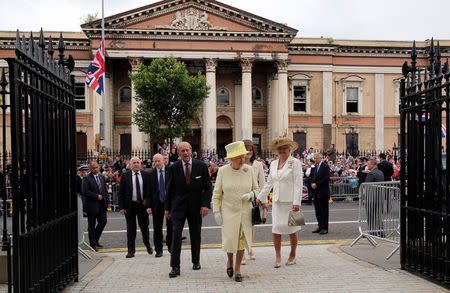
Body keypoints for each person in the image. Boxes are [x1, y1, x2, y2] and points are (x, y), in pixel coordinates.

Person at [212, 141, 259, 282]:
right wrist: (216, 211)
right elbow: (217, 194)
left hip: (245, 211)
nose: (243, 159)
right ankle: (229, 261)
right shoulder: (223, 171)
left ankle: (237, 268)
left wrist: (250, 195)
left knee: (241, 241)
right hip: (228, 211)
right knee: (230, 240)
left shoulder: (249, 170)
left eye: (243, 156)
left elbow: (257, 190)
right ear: (231, 158)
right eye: (239, 157)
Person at [165, 141, 212, 278]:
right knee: (176, 235)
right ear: (178, 153)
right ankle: (175, 267)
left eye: (187, 150)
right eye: (182, 151)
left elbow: (208, 187)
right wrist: (167, 208)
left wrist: (205, 205)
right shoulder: (173, 167)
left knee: (195, 234)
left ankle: (196, 261)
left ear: (191, 151)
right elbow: (170, 189)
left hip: (196, 207)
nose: (185, 153)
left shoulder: (201, 166)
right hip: (178, 207)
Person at [257, 137, 303, 268]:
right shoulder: (272, 164)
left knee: (292, 229)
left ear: (290, 149)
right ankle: (278, 256)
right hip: (277, 201)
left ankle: (293, 254)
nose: (283, 150)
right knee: (276, 229)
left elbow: (298, 183)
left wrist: (297, 202)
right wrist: (260, 197)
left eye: (285, 148)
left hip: (291, 202)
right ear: (277, 151)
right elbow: (269, 183)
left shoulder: (295, 163)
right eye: (280, 148)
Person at [118, 157, 153, 258]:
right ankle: (131, 251)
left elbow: (149, 192)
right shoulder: (125, 176)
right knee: (130, 229)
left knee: (144, 227)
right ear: (130, 164)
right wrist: (121, 207)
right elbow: (121, 193)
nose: (136, 164)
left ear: (141, 164)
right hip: (130, 206)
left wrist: (148, 205)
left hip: (142, 205)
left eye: (138, 162)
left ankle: (147, 245)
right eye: (134, 163)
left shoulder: (146, 175)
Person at [241, 139, 265, 264]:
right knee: (241, 226)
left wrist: (263, 201)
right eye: (246, 150)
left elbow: (262, 183)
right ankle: (242, 253)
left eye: (250, 150)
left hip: (254, 199)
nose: (248, 152)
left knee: (251, 226)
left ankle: (249, 248)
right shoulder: (237, 163)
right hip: (240, 198)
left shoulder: (258, 164)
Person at [147, 154, 172, 258]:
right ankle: (158, 250)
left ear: (163, 161)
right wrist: (148, 205)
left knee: (171, 226)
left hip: (169, 203)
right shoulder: (151, 174)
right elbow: (148, 191)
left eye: (159, 161)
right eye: (155, 161)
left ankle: (170, 246)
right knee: (157, 228)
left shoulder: (170, 171)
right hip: (156, 204)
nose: (157, 163)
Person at [81, 160, 109, 251]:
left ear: (99, 167)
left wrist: (107, 201)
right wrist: (96, 196)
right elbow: (85, 191)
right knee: (91, 225)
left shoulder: (101, 177)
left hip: (102, 205)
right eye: (93, 168)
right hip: (91, 205)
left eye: (96, 167)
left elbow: (105, 190)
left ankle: (95, 240)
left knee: (103, 222)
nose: (95, 169)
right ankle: (93, 244)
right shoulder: (86, 178)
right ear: (90, 168)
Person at [311, 153, 331, 235]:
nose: (315, 160)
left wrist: (317, 184)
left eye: (316, 158)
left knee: (324, 211)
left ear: (320, 158)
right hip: (316, 192)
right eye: (314, 158)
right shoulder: (315, 167)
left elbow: (326, 178)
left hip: (323, 192)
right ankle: (320, 226)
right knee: (318, 211)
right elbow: (313, 177)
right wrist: (312, 183)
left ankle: (324, 228)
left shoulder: (325, 167)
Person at [365, 159, 385, 235]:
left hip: (371, 196)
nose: (367, 166)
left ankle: (372, 231)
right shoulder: (380, 172)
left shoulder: (371, 173)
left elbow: (366, 185)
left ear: (373, 164)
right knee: (378, 214)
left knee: (370, 215)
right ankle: (381, 231)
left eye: (368, 164)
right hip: (379, 196)